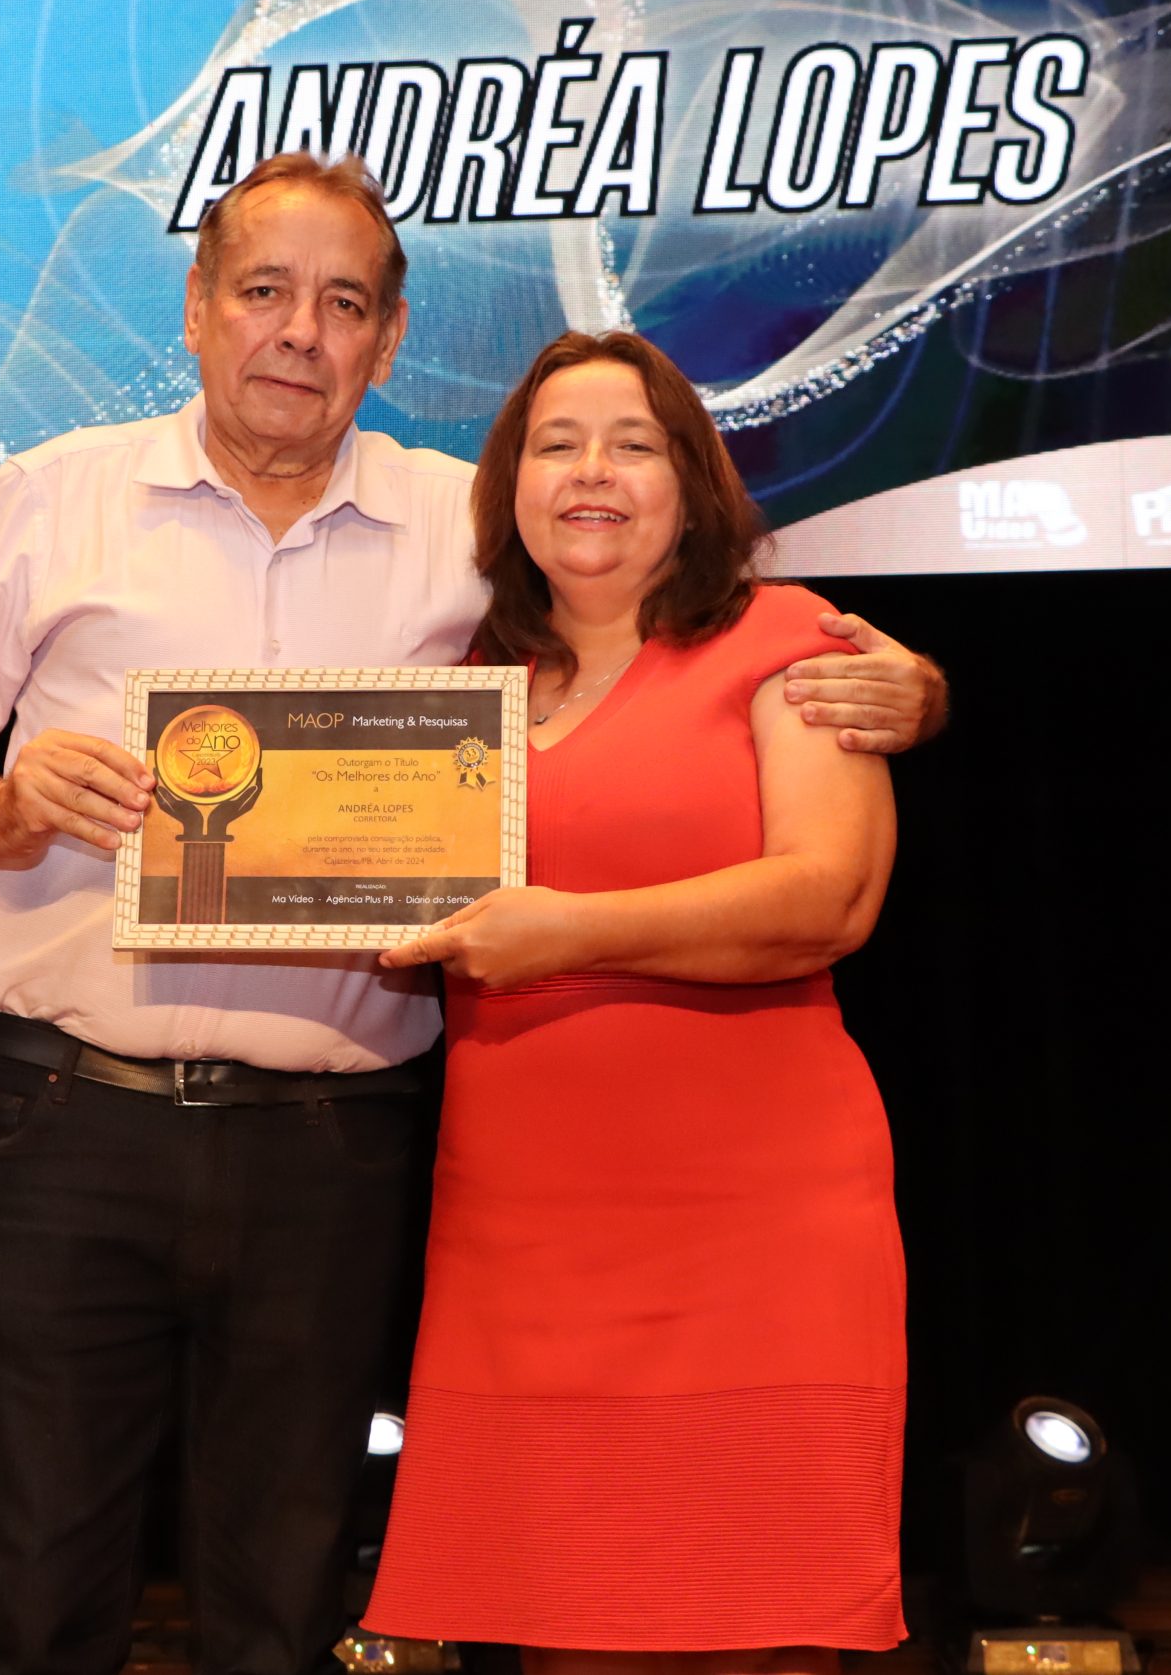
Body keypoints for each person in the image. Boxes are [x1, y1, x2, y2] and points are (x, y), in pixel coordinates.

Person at [0, 154, 939, 1675]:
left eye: (343, 303)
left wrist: (913, 687)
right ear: (198, 309)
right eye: (264, 291)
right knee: (42, 1593)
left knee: (285, 1603)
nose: (301, 330)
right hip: (66, 1121)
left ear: (392, 338)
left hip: (330, 1147)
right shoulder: (56, 494)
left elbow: (670, 640)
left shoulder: (465, 523)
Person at [358, 330, 907, 1674]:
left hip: (760, 1230)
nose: (591, 472)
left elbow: (830, 899)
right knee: (568, 1626)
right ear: (510, 488)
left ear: (693, 485)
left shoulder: (791, 640)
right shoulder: (455, 696)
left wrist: (568, 933)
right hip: (527, 1242)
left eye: (634, 445)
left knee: (767, 1629)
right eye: (556, 445)